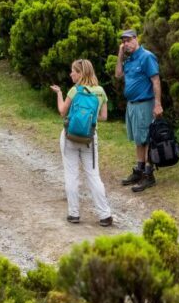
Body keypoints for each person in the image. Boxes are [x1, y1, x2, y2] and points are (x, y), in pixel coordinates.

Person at [49, 59, 113, 226]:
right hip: (90, 138)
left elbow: (62, 112)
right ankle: (105, 215)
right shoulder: (100, 92)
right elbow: (104, 117)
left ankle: (74, 213)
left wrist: (59, 94)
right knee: (93, 175)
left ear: (81, 73)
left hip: (70, 137)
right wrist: (88, 119)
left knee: (71, 175)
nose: (71, 74)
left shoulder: (74, 90)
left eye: (73, 71)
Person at [115, 29, 163, 192]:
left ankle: (149, 175)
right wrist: (120, 55)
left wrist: (157, 104)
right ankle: (139, 170)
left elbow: (155, 81)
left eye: (128, 40)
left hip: (145, 104)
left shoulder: (146, 57)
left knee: (147, 139)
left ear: (137, 39)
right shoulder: (129, 60)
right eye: (123, 41)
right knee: (138, 139)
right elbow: (118, 74)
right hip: (132, 105)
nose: (126, 44)